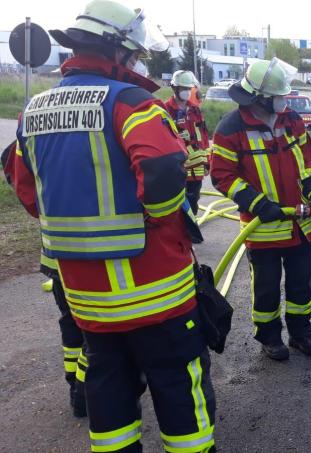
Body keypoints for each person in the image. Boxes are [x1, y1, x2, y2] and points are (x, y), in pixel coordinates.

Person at [13, 1, 215, 451]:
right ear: (119, 52)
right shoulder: (131, 104)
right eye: (137, 55)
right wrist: (157, 219)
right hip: (156, 291)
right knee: (181, 392)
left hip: (88, 299)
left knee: (109, 398)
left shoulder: (34, 112)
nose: (140, 63)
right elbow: (164, 172)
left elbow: (26, 187)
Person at [210, 58, 311, 360]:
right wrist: (258, 203)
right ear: (261, 97)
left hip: (300, 225)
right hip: (263, 228)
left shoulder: (292, 121)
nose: (284, 100)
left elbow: (306, 166)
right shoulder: (231, 128)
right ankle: (270, 337)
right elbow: (222, 176)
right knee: (266, 290)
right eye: (279, 95)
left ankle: (301, 333)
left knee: (302, 286)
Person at [2, 143, 87, 418]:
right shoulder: (97, 127)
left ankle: (76, 386)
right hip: (97, 260)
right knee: (99, 334)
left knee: (72, 323)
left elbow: (22, 186)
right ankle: (84, 394)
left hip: (57, 256)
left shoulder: (37, 127)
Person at [165, 70, 210, 216]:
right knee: (179, 203)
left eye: (188, 89)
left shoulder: (195, 109)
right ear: (175, 89)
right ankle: (184, 231)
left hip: (197, 168)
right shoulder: (166, 110)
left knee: (194, 199)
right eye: (183, 89)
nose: (186, 92)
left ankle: (192, 231)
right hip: (179, 168)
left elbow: (203, 136)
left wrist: (208, 160)